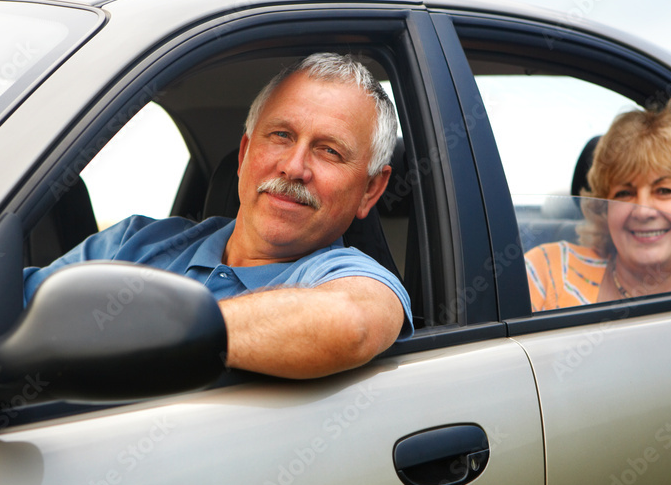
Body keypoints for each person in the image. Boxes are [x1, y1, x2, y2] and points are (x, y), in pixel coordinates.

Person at [24, 53, 413, 378]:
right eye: (281, 135)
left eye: (329, 150)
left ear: (370, 190)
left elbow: (352, 324)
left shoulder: (345, 276)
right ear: (244, 155)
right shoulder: (134, 241)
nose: (294, 167)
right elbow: (2, 311)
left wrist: (131, 332)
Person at [525, 99, 671, 311]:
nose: (642, 211)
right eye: (625, 193)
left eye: (664, 191)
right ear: (606, 210)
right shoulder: (549, 271)